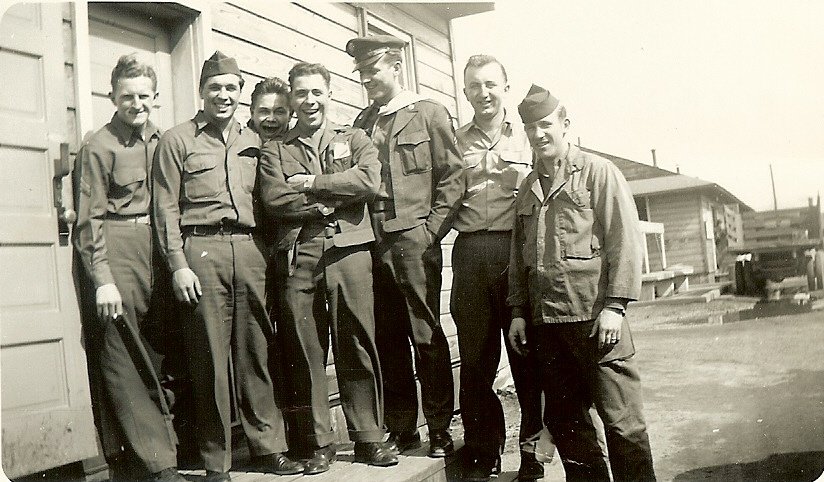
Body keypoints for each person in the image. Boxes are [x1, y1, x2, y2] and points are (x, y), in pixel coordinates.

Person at [152, 51, 303, 481]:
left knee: (256, 351)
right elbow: (164, 207)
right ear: (202, 91)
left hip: (250, 250)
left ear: (240, 93)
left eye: (231, 87)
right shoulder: (177, 140)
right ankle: (217, 461)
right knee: (210, 360)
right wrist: (178, 264)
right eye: (215, 87)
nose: (223, 95)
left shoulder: (255, 141)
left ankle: (268, 448)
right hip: (201, 252)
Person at [507, 84, 656, 481]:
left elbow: (624, 239)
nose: (538, 134)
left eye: (545, 125)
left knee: (623, 424)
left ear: (565, 124)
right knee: (570, 427)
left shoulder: (597, 172)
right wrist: (518, 311)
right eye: (530, 128)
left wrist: (616, 306)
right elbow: (518, 256)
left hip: (595, 320)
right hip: (547, 325)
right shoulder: (528, 187)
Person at [258, 61, 398, 475]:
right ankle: (319, 442)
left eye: (316, 92)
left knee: (356, 341)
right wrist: (327, 203)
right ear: (292, 98)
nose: (309, 101)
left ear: (329, 94)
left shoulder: (354, 137)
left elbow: (368, 180)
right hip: (300, 252)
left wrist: (312, 183)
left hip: (350, 251)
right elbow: (275, 198)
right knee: (305, 348)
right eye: (301, 93)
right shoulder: (276, 149)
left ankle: (369, 437)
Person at [347, 34, 464, 458]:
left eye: (373, 70)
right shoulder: (362, 121)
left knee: (425, 333)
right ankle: (402, 427)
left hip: (413, 239)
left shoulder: (429, 112)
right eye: (361, 73)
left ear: (396, 67)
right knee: (387, 337)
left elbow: (453, 176)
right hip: (370, 240)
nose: (366, 79)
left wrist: (430, 232)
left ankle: (439, 429)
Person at [74, 53, 184, 482]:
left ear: (155, 97)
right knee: (123, 353)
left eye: (144, 96)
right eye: (127, 97)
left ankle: (161, 450)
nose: (137, 104)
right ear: (112, 98)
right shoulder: (98, 146)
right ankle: (158, 463)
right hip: (118, 247)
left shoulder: (163, 140)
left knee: (158, 350)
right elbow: (89, 220)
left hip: (159, 249)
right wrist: (102, 279)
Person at [451, 55, 545, 481]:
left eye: (491, 84)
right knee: (475, 361)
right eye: (475, 85)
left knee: (527, 360)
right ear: (465, 92)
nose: (483, 92)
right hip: (470, 252)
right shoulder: (454, 141)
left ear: (506, 88)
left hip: (517, 251)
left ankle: (532, 455)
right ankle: (484, 453)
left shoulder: (528, 137)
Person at [247, 76, 292, 143]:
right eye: (264, 112)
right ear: (252, 113)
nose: (271, 119)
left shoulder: (298, 148)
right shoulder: (236, 143)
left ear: (290, 115)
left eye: (279, 112)